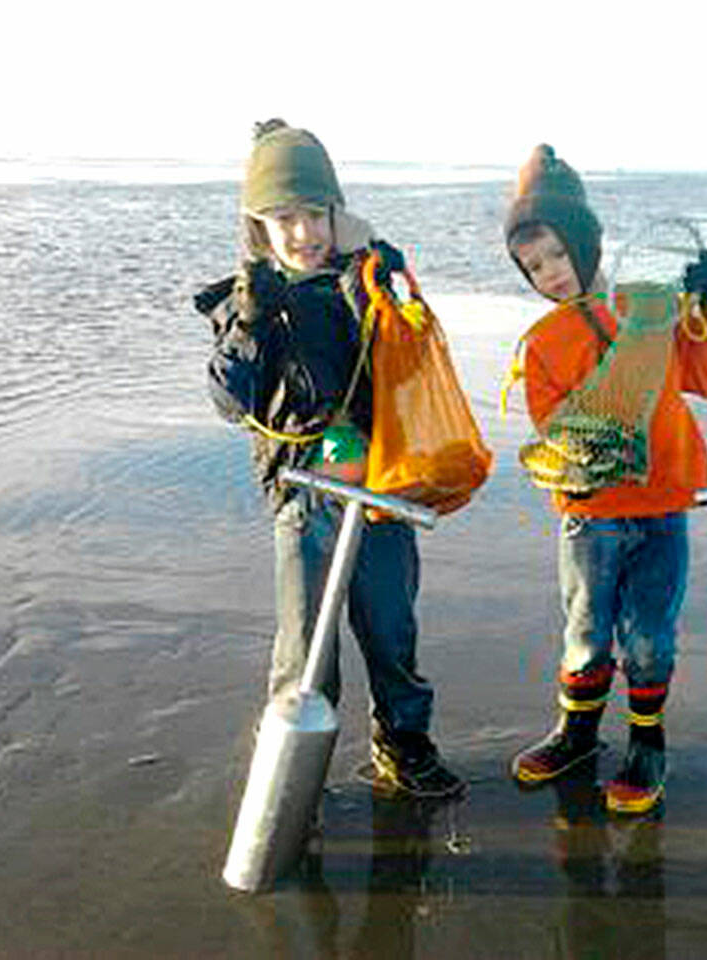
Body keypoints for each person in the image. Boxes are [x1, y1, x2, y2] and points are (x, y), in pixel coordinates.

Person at [195, 119, 464, 799]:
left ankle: (404, 744)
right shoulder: (247, 301)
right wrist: (252, 324)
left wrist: (398, 291)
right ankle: (295, 777)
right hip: (302, 498)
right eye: (283, 218)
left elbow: (415, 368)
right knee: (305, 652)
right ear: (258, 224)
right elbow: (230, 402)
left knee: (392, 633)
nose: (301, 232)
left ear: (335, 215)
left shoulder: (368, 283)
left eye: (313, 214)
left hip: (381, 494)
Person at [503, 144, 707, 813]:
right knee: (585, 630)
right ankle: (576, 733)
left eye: (556, 255)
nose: (549, 275)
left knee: (649, 636)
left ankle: (646, 743)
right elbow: (555, 429)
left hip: (661, 505)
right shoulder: (542, 345)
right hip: (590, 513)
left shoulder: (651, 309)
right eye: (533, 267)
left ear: (587, 245)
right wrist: (587, 455)